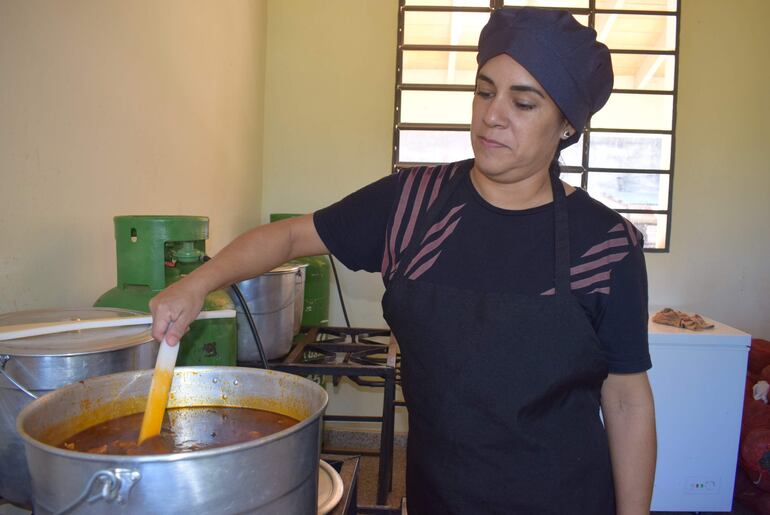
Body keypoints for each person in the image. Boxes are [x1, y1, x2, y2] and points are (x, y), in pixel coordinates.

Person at [150, 7, 656, 514]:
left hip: (565, 498)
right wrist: (197, 283)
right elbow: (287, 237)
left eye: (523, 102)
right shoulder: (413, 206)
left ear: (567, 124)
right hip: (441, 496)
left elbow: (627, 398)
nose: (492, 115)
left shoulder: (606, 246)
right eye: (485, 92)